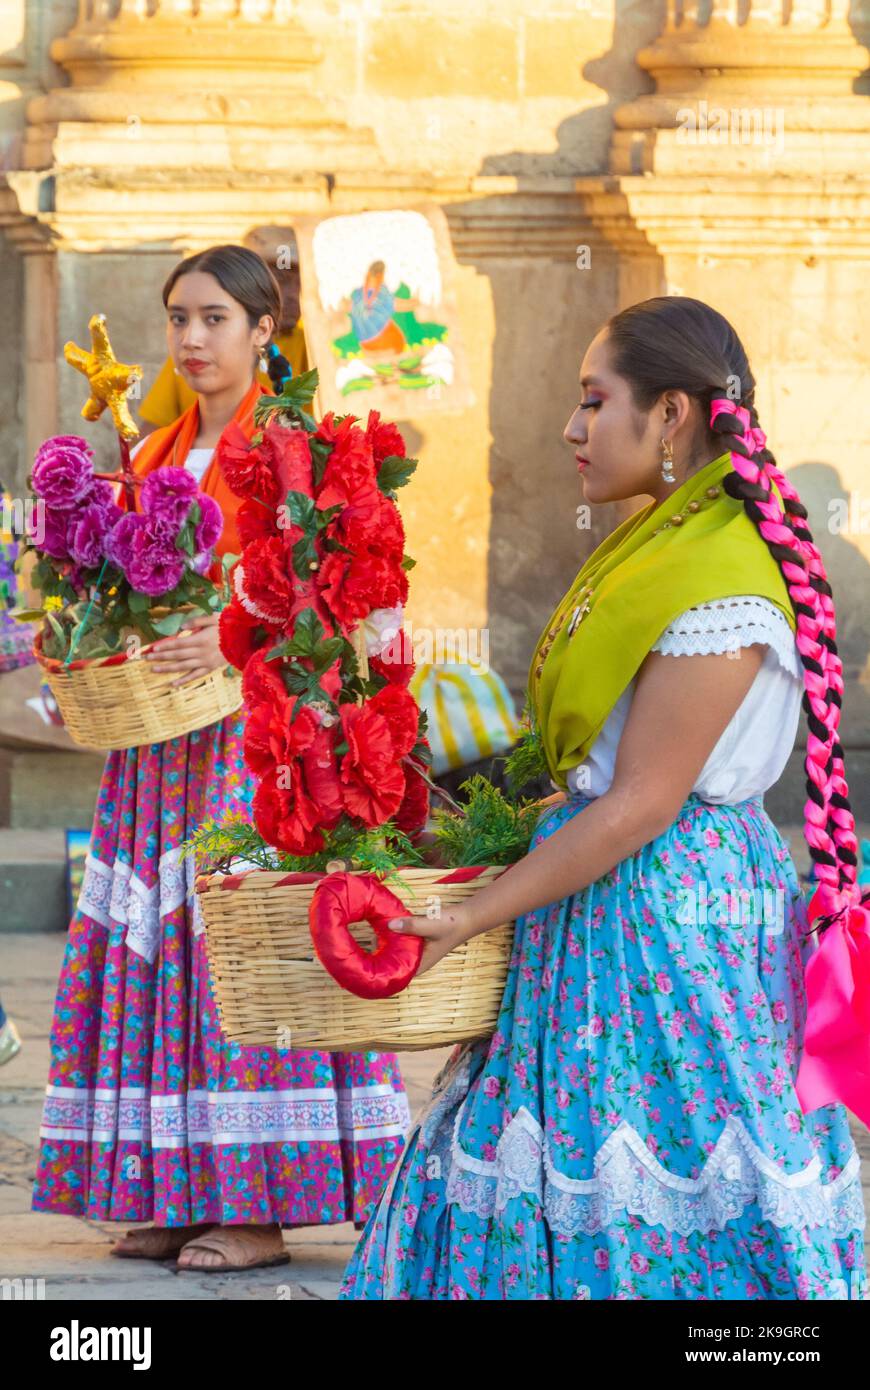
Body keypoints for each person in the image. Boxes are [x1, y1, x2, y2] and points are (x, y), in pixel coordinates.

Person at [340, 295, 868, 1301]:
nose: (574, 428)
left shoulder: (715, 579)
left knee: (654, 1152)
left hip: (663, 925)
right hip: (609, 907)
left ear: (671, 415)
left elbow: (639, 806)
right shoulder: (666, 546)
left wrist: (465, 917)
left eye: (595, 400)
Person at [32, 244, 410, 1272]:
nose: (191, 339)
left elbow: (356, 597)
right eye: (178, 319)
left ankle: (257, 1201)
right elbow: (110, 590)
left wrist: (240, 622)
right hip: (157, 751)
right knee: (156, 955)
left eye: (214, 320)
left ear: (263, 334)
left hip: (256, 742)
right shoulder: (151, 449)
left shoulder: (299, 450)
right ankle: (165, 1183)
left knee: (235, 947)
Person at [137, 232, 307, 432]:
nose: (294, 293)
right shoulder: (194, 356)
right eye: (282, 279)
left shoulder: (315, 349)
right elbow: (149, 438)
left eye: (301, 280)